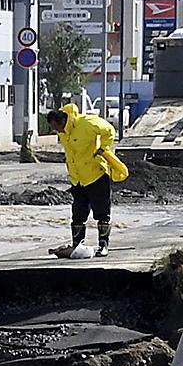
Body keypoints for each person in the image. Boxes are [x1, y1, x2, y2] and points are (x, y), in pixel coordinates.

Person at [47, 105, 127, 257]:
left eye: (56, 127)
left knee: (102, 212)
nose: (57, 132)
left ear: (62, 120)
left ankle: (103, 245)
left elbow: (109, 130)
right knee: (78, 213)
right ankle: (77, 245)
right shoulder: (64, 133)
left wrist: (103, 149)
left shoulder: (87, 123)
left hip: (95, 174)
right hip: (78, 179)